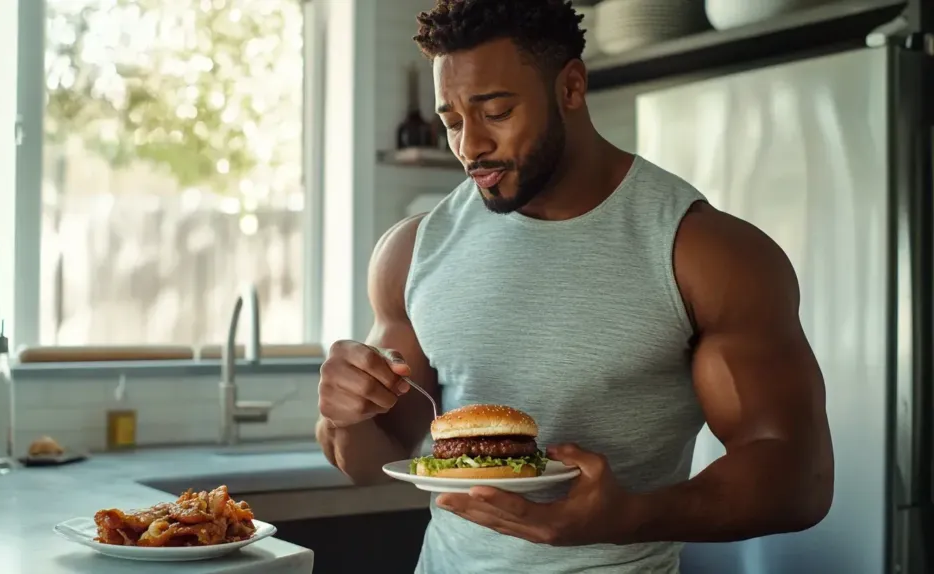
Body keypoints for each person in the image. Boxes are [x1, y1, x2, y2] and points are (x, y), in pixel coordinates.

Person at [315, 0, 835, 571]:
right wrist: (343, 413)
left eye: (495, 111)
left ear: (571, 86)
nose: (469, 147)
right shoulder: (413, 250)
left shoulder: (703, 251)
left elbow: (797, 476)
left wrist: (629, 516)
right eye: (453, 121)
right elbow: (371, 463)